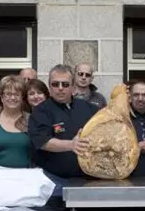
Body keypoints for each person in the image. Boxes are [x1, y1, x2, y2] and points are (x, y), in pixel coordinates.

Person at [28, 64, 97, 194]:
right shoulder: (40, 111)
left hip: (87, 180)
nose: (60, 88)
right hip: (53, 181)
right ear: (49, 86)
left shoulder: (89, 108)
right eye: (55, 84)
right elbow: (42, 141)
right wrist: (71, 145)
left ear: (73, 86)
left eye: (65, 84)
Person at [0, 75, 32, 168]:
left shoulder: (31, 120)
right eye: (8, 94)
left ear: (22, 97)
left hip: (27, 176)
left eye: (16, 94)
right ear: (1, 97)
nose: (12, 97)